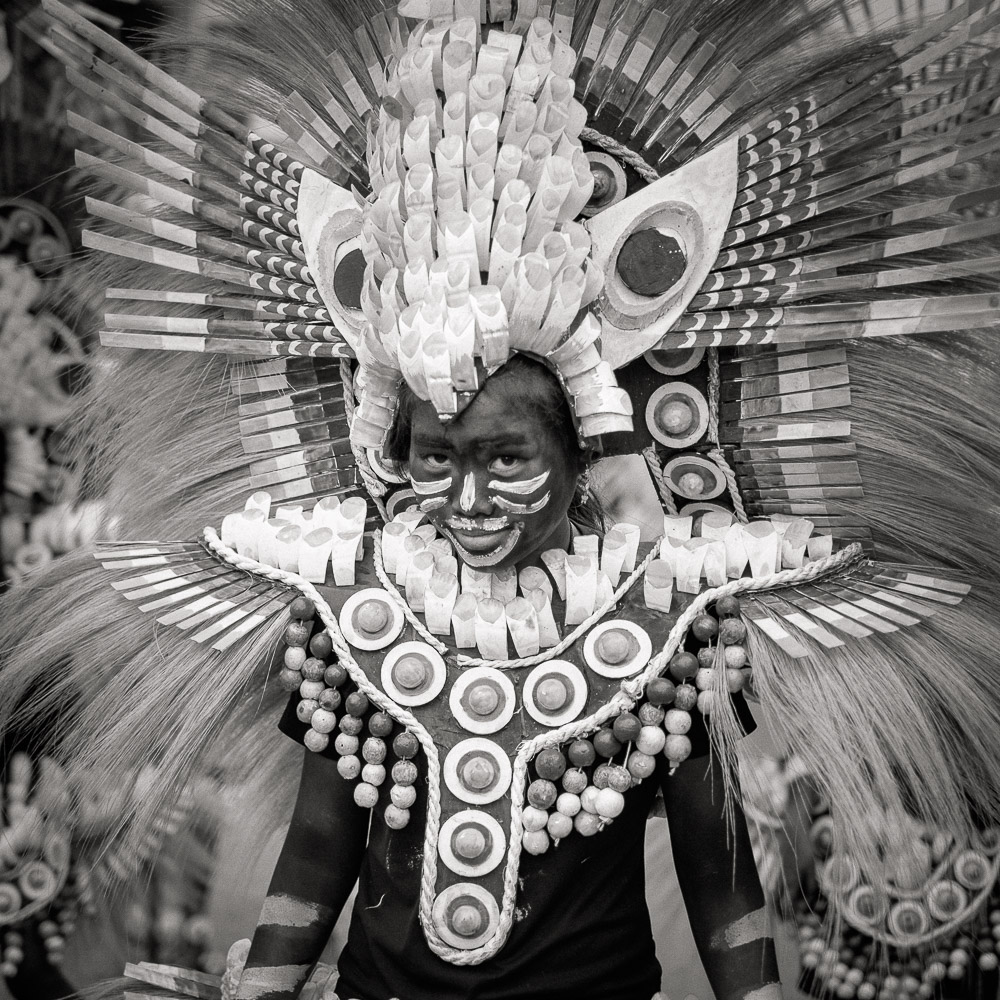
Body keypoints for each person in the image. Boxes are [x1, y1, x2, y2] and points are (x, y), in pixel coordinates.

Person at [1, 3, 1000, 1000]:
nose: (468, 499)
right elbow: (317, 853)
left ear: (579, 456)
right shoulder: (354, 616)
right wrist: (260, 989)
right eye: (436, 461)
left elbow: (719, 878)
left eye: (506, 460)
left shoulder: (672, 625)